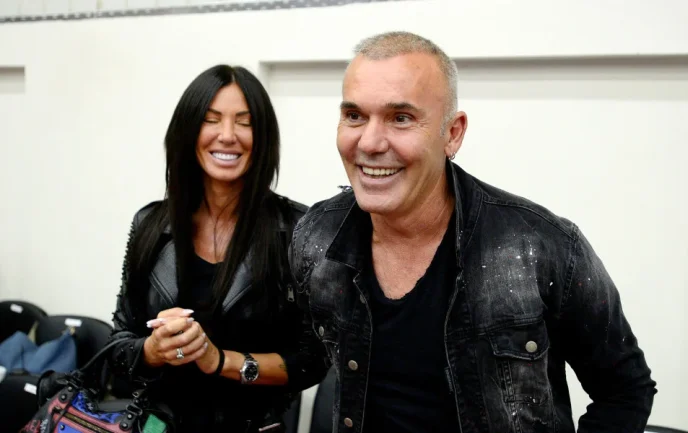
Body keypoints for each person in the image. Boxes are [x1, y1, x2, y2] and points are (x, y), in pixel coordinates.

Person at [288, 31, 657, 433]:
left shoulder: (542, 247)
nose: (370, 142)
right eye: (355, 116)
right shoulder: (316, 237)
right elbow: (309, 356)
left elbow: (625, 390)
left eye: (401, 118)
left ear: (452, 133)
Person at [108, 65, 327, 432]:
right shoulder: (150, 224)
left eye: (244, 122)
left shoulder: (297, 230)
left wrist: (220, 360)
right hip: (158, 425)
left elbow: (312, 361)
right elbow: (117, 347)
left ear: (263, 137)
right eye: (211, 120)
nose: (227, 136)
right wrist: (153, 350)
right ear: (188, 131)